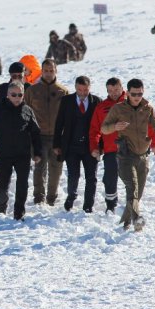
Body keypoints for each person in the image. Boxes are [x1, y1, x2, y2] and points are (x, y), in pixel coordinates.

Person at [101, 78, 155, 231]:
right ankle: (137, 219)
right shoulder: (118, 109)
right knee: (132, 188)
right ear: (128, 93)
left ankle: (126, 222)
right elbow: (104, 128)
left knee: (138, 193)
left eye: (140, 93)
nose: (137, 97)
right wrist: (115, 126)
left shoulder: (147, 107)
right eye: (134, 94)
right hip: (126, 156)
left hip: (143, 156)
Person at [89, 77, 155, 214]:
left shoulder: (132, 103)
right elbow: (95, 130)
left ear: (123, 89)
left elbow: (148, 125)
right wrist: (95, 147)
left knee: (135, 180)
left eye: (116, 90)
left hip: (132, 150)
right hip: (112, 150)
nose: (113, 93)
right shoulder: (101, 107)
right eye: (110, 91)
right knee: (109, 178)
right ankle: (111, 205)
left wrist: (154, 142)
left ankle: (133, 204)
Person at [0, 81, 42, 220]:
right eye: (13, 94)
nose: (17, 97)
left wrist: (37, 153)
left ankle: (19, 211)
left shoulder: (27, 110)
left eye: (19, 95)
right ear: (8, 95)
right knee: (3, 184)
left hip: (23, 154)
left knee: (22, 183)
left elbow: (36, 132)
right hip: (5, 154)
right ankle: (2, 207)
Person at [53, 76, 101, 212]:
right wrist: (57, 144)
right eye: (80, 89)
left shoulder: (96, 101)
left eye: (85, 90)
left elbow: (100, 125)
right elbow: (59, 123)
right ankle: (71, 196)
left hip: (90, 147)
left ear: (89, 88)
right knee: (73, 175)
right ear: (75, 87)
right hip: (71, 146)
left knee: (91, 177)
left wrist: (99, 147)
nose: (83, 92)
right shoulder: (66, 101)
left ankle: (88, 205)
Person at [24, 59, 69, 205]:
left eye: (51, 70)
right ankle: (39, 197)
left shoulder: (63, 91)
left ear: (56, 71)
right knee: (39, 168)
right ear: (41, 71)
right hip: (39, 136)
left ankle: (51, 198)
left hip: (57, 137)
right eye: (46, 71)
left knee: (56, 170)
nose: (49, 74)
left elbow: (68, 117)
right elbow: (26, 114)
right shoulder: (32, 91)